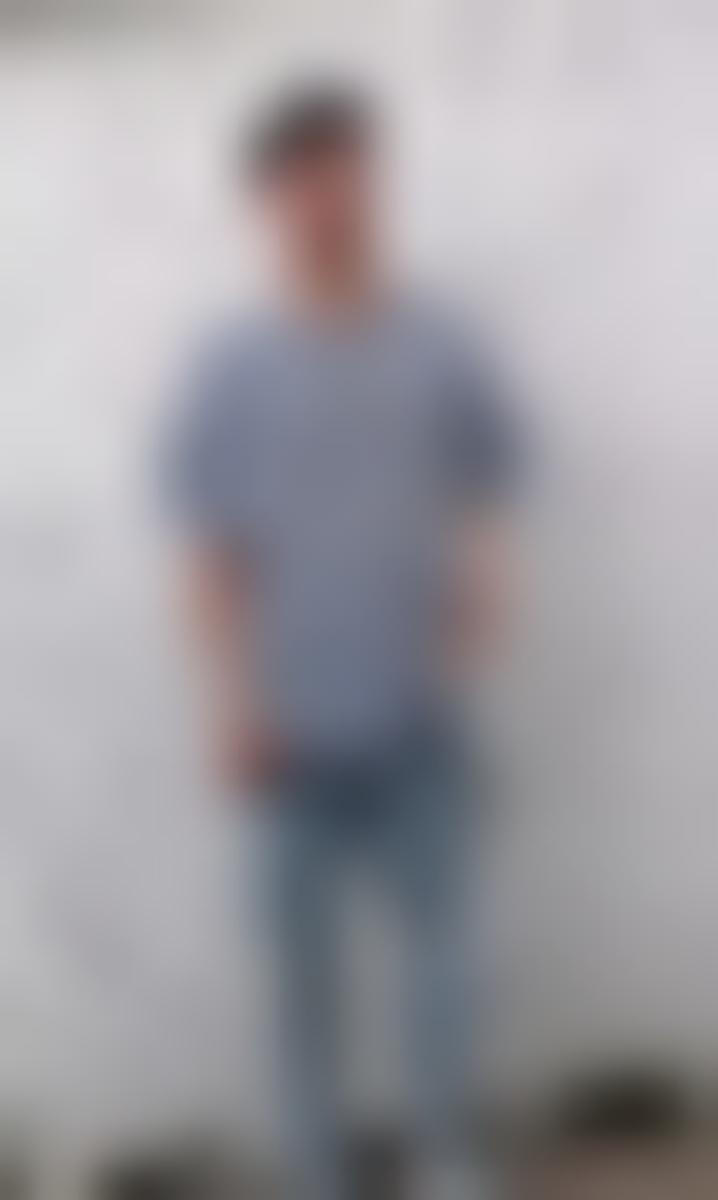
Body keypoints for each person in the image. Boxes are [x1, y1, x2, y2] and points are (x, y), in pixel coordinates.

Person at [164, 83, 521, 1200]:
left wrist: (481, 587)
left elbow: (487, 477)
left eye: (347, 174)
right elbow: (211, 554)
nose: (330, 200)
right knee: (300, 981)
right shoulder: (230, 367)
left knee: (444, 962)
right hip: (288, 733)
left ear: (374, 182)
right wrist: (233, 706)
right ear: (270, 203)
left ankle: (446, 1158)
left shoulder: (441, 343)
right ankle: (315, 1170)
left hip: (419, 715)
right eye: (303, 181)